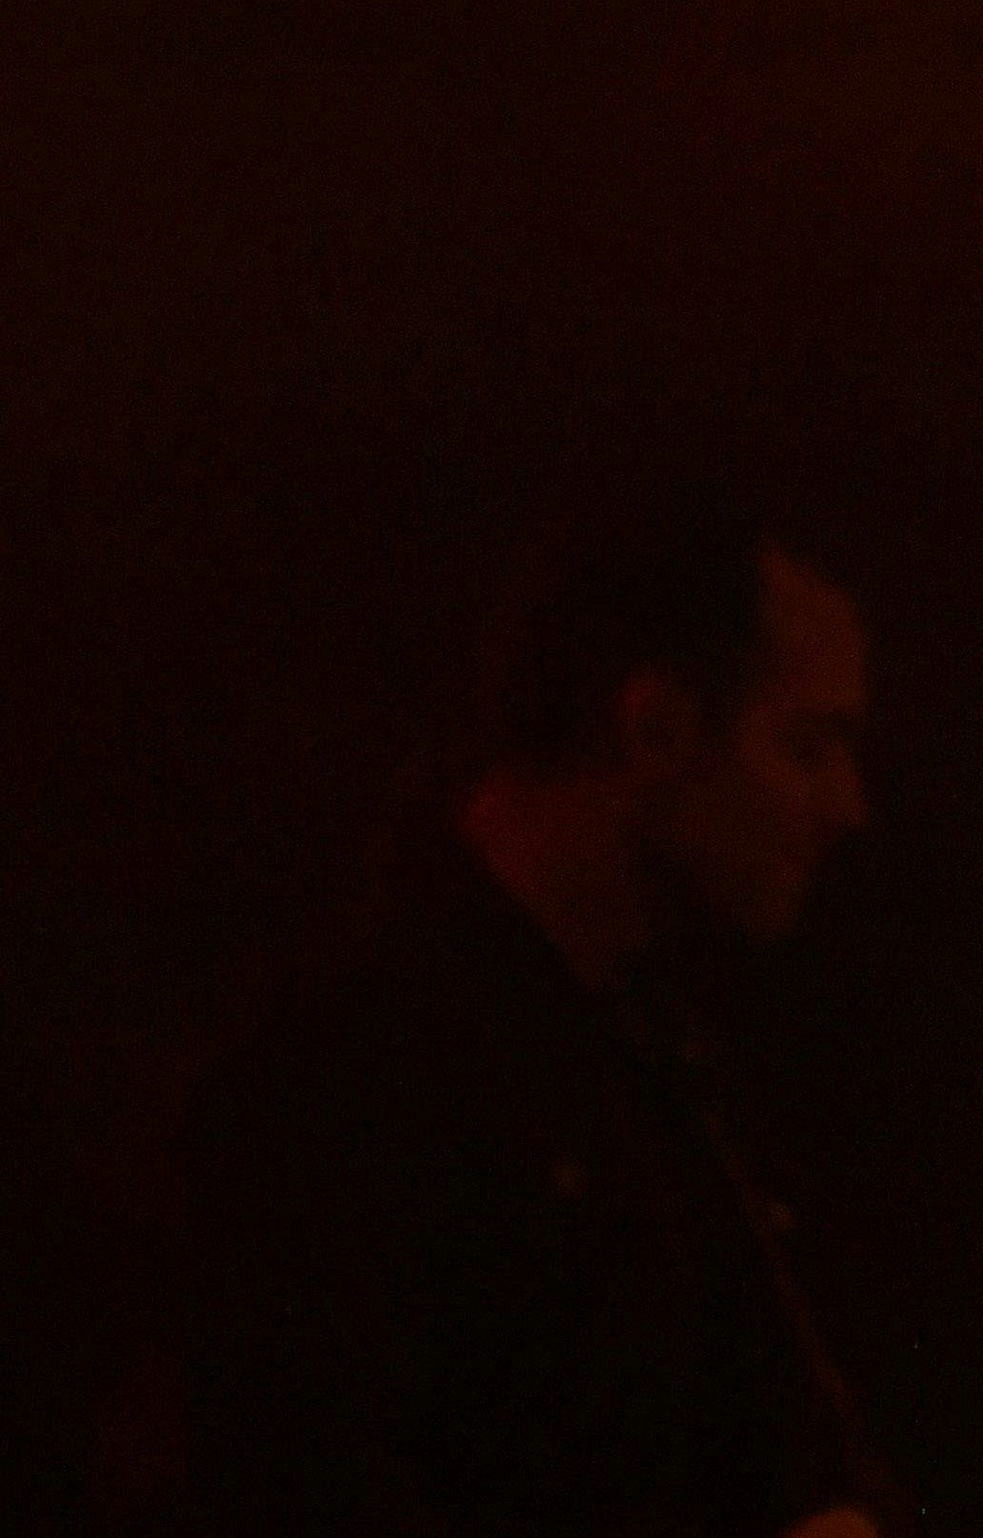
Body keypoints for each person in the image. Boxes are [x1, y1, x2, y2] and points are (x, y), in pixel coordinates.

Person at [178, 494, 901, 1536]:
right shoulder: (349, 1071)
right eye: (808, 746)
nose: (848, 805)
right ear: (654, 727)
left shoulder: (643, 1050)